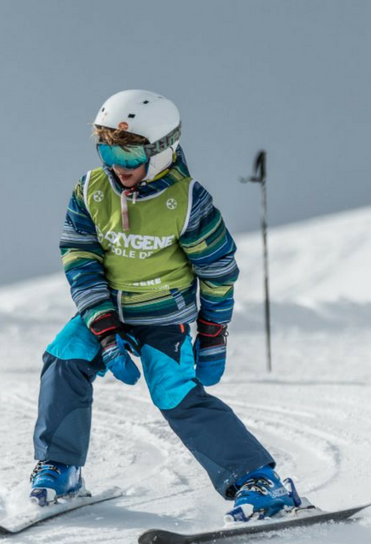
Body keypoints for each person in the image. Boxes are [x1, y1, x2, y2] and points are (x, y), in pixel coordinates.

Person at [29, 90, 300, 522]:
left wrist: (212, 336)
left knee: (174, 393)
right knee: (63, 358)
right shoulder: (90, 190)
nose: (117, 164)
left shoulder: (188, 201)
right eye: (106, 149)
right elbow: (79, 257)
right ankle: (61, 465)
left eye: (129, 153)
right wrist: (103, 328)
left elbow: (218, 272)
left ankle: (257, 478)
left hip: (163, 317)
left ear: (161, 151)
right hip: (107, 311)